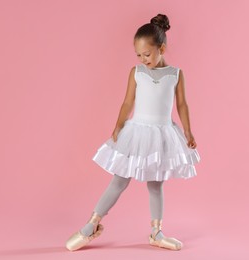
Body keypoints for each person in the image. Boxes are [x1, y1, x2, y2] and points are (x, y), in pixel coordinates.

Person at [65, 13, 200, 251]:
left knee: (156, 184)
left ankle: (156, 232)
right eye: (138, 54)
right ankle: (91, 224)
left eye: (147, 54)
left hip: (161, 134)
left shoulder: (175, 75)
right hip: (136, 133)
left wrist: (188, 132)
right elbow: (128, 103)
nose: (142, 58)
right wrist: (118, 125)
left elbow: (182, 105)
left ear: (162, 49)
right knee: (119, 180)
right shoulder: (136, 72)